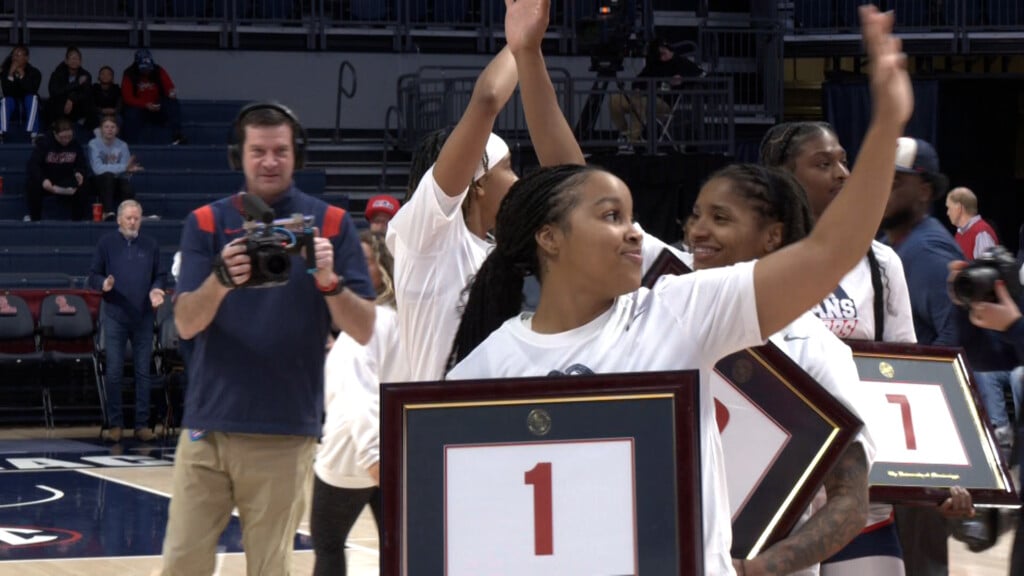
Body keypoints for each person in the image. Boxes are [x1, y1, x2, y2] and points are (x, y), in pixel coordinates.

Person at [446, 7, 912, 575]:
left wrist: (887, 124)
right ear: (549, 238)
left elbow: (825, 253)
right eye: (614, 217)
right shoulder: (478, 374)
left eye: (633, 216)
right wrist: (527, 56)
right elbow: (568, 177)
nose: (638, 232)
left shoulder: (679, 308)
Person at [159, 102, 376, 575]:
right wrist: (220, 278)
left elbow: (363, 329)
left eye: (280, 150)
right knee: (180, 563)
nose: (270, 161)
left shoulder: (332, 224)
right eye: (258, 151)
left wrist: (328, 280)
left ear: (296, 154)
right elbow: (186, 324)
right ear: (240, 156)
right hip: (207, 428)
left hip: (283, 431)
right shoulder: (207, 223)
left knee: (269, 568)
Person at [685, 163, 874, 575]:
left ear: (772, 236)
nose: (698, 230)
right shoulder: (664, 319)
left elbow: (850, 502)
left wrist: (759, 568)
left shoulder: (815, 349)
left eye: (720, 218)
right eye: (696, 215)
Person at [386, 0, 583, 382]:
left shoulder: (502, 251)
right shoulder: (425, 234)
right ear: (476, 185)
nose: (519, 180)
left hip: (496, 427)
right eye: (508, 168)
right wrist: (521, 44)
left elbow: (576, 184)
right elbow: (489, 99)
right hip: (441, 428)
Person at [760, 120, 914, 574]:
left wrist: (940, 475)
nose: (843, 174)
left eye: (844, 160)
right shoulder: (752, 263)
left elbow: (908, 373)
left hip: (860, 500)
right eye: (824, 163)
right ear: (783, 176)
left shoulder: (880, 262)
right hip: (774, 503)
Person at [312, 230, 404, 576]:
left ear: (383, 267)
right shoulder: (405, 319)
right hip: (395, 454)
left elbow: (359, 399)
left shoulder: (364, 327)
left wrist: (374, 458)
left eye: (365, 260)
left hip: (354, 456)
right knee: (396, 549)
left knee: (328, 545)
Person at [88, 199, 166, 443]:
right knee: (113, 373)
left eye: (137, 218)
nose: (133, 222)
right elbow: (93, 275)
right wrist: (104, 284)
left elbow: (160, 276)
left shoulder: (151, 245)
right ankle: (116, 424)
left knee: (144, 372)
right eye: (129, 218)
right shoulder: (106, 244)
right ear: (119, 219)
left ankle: (142, 425)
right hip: (115, 316)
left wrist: (156, 290)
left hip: (143, 316)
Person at [608, 38, 704, 147]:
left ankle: (633, 140)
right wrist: (637, 88)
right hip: (642, 97)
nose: (661, 55)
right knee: (615, 100)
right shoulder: (654, 64)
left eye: (663, 51)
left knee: (640, 103)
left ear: (667, 49)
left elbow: (701, 74)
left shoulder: (682, 62)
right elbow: (638, 80)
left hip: (663, 102)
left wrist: (683, 78)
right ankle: (625, 133)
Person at [24, 117, 90, 221]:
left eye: (69, 136)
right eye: (62, 137)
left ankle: (78, 219)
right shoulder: (45, 143)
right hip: (47, 180)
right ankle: (35, 218)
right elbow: (33, 165)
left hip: (65, 179)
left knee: (84, 184)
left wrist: (79, 173)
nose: (66, 140)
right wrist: (43, 180)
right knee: (32, 184)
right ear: (55, 134)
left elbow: (81, 164)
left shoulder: (75, 144)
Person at [121, 48, 185, 145]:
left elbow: (169, 87)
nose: (146, 71)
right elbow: (127, 98)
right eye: (143, 68)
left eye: (148, 68)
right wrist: (145, 105)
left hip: (157, 107)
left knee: (172, 104)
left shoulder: (158, 70)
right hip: (140, 108)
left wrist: (171, 93)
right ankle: (131, 144)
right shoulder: (129, 74)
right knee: (131, 113)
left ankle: (177, 136)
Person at [89, 114, 142, 220]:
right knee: (108, 176)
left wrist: (125, 169)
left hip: (116, 180)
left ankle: (127, 215)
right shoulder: (93, 144)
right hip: (98, 181)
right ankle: (108, 212)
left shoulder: (123, 145)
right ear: (101, 129)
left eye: (113, 127)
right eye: (106, 127)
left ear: (117, 130)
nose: (109, 130)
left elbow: (126, 170)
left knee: (126, 186)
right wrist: (123, 168)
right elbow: (97, 169)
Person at [0, 44, 41, 142]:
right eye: (14, 55)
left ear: (26, 58)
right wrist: (10, 74)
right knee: (6, 100)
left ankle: (32, 133)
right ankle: (1, 132)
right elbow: (7, 92)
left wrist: (22, 76)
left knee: (32, 98)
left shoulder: (34, 72)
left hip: (28, 102)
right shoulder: (6, 72)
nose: (15, 58)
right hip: (13, 104)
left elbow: (31, 90)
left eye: (18, 55)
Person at [46, 46, 94, 130]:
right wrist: (76, 83)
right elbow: (54, 92)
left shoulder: (85, 75)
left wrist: (71, 99)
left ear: (80, 62)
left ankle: (81, 124)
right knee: (51, 103)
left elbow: (86, 93)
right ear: (66, 61)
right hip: (60, 105)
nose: (74, 61)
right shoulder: (57, 74)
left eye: (77, 59)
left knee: (89, 102)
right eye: (72, 58)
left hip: (77, 105)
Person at [945, 187, 998, 261]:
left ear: (959, 208)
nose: (947, 213)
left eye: (949, 208)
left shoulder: (981, 233)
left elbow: (987, 270)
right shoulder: (959, 234)